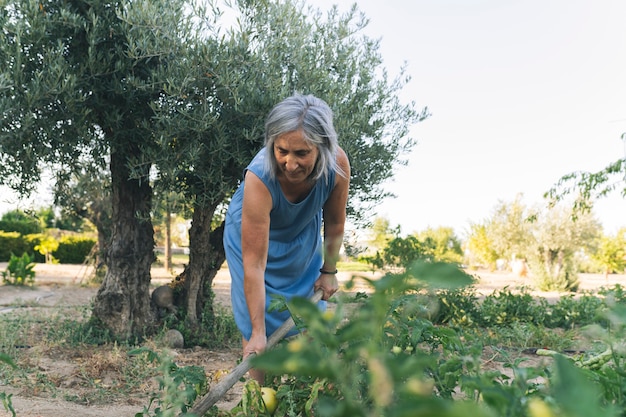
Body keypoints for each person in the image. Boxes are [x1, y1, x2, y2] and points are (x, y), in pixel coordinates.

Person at [223, 93, 351, 382]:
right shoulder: (259, 177)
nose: (290, 164)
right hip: (251, 235)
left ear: (323, 147)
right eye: (282, 151)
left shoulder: (337, 166)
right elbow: (254, 264)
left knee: (310, 314)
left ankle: (304, 391)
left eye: (302, 154)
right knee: (257, 329)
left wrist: (328, 271)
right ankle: (260, 401)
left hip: (301, 230)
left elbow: (334, 222)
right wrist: (258, 333)